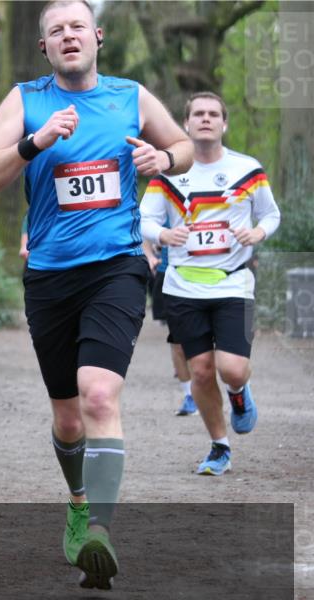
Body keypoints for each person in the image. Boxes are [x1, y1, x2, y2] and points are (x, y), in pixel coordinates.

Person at [0, 0, 193, 590]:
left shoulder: (131, 96)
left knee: (99, 397)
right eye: (55, 31)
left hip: (116, 267)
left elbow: (184, 148)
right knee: (68, 419)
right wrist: (35, 142)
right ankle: (76, 501)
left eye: (77, 27)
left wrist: (163, 157)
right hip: (49, 274)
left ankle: (100, 528)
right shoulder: (25, 101)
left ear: (97, 37)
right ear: (44, 47)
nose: (68, 36)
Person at [140, 91, 280, 476]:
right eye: (197, 113)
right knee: (200, 371)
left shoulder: (248, 169)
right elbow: (145, 219)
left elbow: (271, 215)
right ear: (186, 124)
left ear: (224, 124)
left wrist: (257, 234)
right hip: (184, 287)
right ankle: (220, 447)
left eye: (213, 113)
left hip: (234, 285)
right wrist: (163, 236)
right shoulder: (169, 174)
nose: (205, 119)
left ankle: (237, 393)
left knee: (231, 369)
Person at [142, 234, 196, 416]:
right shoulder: (167, 204)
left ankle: (232, 384)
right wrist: (149, 256)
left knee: (208, 342)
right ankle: (190, 395)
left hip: (210, 275)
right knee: (178, 342)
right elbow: (143, 230)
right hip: (171, 274)